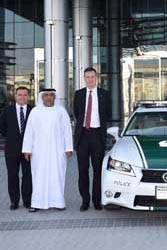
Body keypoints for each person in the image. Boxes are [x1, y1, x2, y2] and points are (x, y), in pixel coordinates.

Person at [22, 88, 73, 212]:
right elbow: (29, 131)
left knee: (57, 175)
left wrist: (69, 148)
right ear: (41, 97)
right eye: (46, 95)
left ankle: (58, 202)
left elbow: (67, 130)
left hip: (57, 151)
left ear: (55, 97)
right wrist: (27, 149)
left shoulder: (61, 111)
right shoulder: (35, 112)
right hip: (39, 152)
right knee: (38, 176)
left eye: (51, 95)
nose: (48, 97)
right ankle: (37, 203)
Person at [73, 67, 111, 211]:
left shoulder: (104, 94)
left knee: (98, 170)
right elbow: (77, 114)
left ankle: (97, 200)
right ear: (84, 78)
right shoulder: (79, 94)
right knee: (82, 170)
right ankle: (85, 200)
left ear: (97, 78)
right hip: (83, 136)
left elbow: (107, 113)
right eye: (87, 77)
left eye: (92, 77)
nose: (90, 79)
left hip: (97, 136)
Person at [0, 86, 33, 210]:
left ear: (28, 97)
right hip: (11, 149)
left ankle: (27, 201)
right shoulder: (7, 110)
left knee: (28, 175)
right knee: (12, 175)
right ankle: (14, 201)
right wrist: (10, 136)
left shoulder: (33, 110)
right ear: (15, 96)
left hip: (29, 150)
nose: (22, 97)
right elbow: (1, 127)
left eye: (25, 95)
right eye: (20, 95)